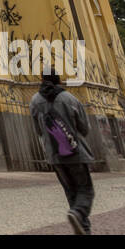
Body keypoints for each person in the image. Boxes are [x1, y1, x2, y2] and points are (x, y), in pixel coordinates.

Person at [30, 73, 95, 234]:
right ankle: (78, 213)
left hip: (54, 155)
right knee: (85, 189)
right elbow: (84, 128)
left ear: (41, 80)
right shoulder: (69, 98)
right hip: (75, 152)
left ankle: (83, 228)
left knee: (71, 191)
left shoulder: (34, 101)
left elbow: (38, 131)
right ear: (59, 80)